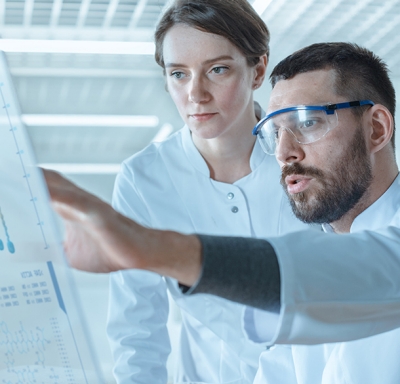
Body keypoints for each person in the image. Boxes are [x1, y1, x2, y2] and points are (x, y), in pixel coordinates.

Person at [44, 42, 400, 383]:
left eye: (307, 123)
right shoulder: (316, 270)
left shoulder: (359, 260)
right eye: (275, 132)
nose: (283, 152)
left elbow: (365, 271)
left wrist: (146, 247)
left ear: (376, 128)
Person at [105, 1, 309, 383]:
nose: (195, 94)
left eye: (218, 69)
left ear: (258, 69)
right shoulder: (143, 179)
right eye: (179, 74)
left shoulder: (306, 158)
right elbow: (136, 326)